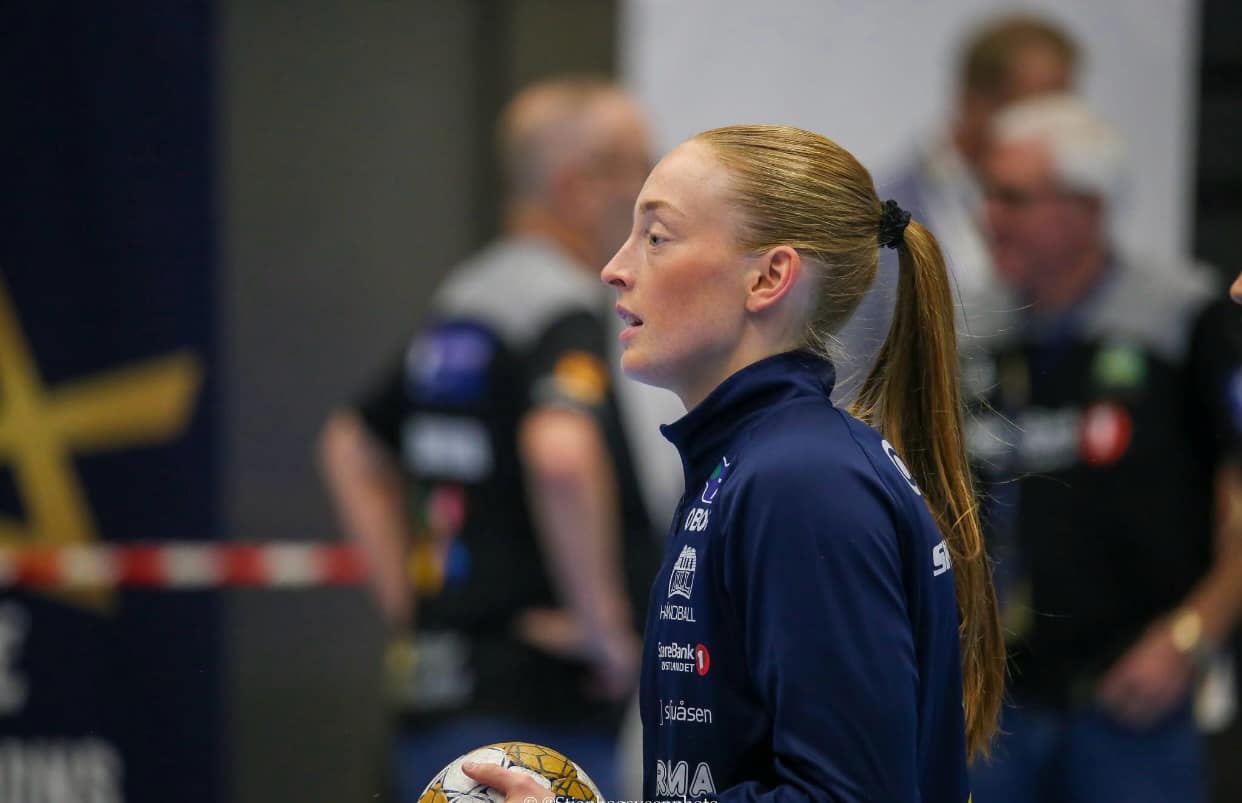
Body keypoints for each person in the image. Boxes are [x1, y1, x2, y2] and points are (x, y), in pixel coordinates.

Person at [465, 123, 1006, 801]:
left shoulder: (801, 480)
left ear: (769, 276)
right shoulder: (755, 463)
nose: (615, 267)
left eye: (656, 237)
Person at [318, 76, 670, 802]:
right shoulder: (555, 307)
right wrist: (604, 629)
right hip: (533, 716)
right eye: (640, 170)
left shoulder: (467, 301)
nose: (649, 199)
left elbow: (350, 445)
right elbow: (560, 455)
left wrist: (416, 610)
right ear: (576, 188)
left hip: (441, 697)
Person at [965, 94, 1242, 803]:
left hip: (1135, 703)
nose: (987, 215)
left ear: (1086, 207)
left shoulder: (1181, 318)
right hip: (992, 709)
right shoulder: (968, 329)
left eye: (1012, 197)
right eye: (985, 193)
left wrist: (1192, 635)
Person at [836, 14, 1080, 399]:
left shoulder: (1063, 210)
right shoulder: (875, 217)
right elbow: (848, 379)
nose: (1063, 128)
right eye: (1043, 110)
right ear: (976, 101)